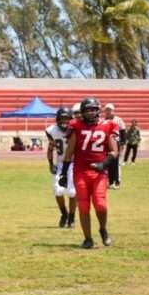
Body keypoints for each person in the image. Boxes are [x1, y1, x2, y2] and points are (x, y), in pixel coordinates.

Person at [62, 97, 119, 249]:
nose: (90, 113)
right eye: (87, 110)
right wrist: (63, 173)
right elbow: (69, 151)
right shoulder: (76, 126)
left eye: (93, 109)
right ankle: (88, 239)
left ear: (98, 110)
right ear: (82, 112)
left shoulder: (108, 125)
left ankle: (103, 229)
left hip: (99, 172)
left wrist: (103, 164)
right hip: (80, 171)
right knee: (83, 206)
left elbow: (114, 151)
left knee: (101, 205)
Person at [46, 108, 76, 228]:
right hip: (61, 163)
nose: (64, 121)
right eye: (62, 118)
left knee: (72, 192)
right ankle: (64, 214)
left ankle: (72, 218)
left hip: (74, 163)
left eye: (67, 118)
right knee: (58, 191)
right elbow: (50, 148)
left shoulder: (76, 129)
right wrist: (51, 164)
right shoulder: (52, 131)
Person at [103, 103, 126, 189]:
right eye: (107, 110)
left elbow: (123, 132)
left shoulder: (118, 120)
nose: (108, 112)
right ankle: (110, 181)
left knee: (117, 164)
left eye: (110, 110)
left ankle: (117, 182)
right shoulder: (103, 120)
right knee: (108, 163)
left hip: (117, 144)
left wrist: (122, 143)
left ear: (113, 111)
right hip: (107, 144)